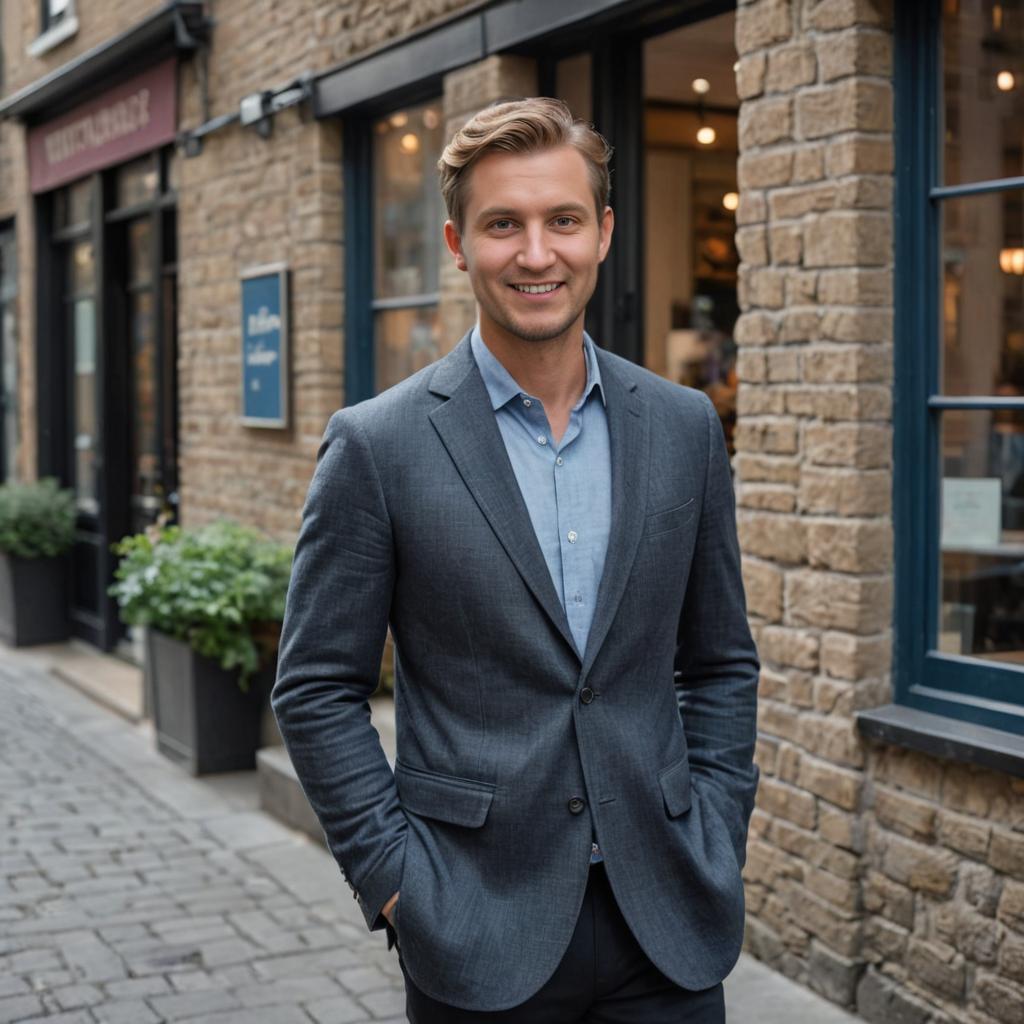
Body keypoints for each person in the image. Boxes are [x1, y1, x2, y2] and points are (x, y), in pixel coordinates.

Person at [271, 97, 760, 1023]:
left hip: (668, 915)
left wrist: (717, 827)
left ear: (603, 233)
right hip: (475, 926)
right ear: (458, 243)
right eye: (504, 225)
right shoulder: (377, 446)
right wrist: (396, 881)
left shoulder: (685, 426)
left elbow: (721, 660)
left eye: (563, 220)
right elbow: (316, 687)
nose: (537, 254)